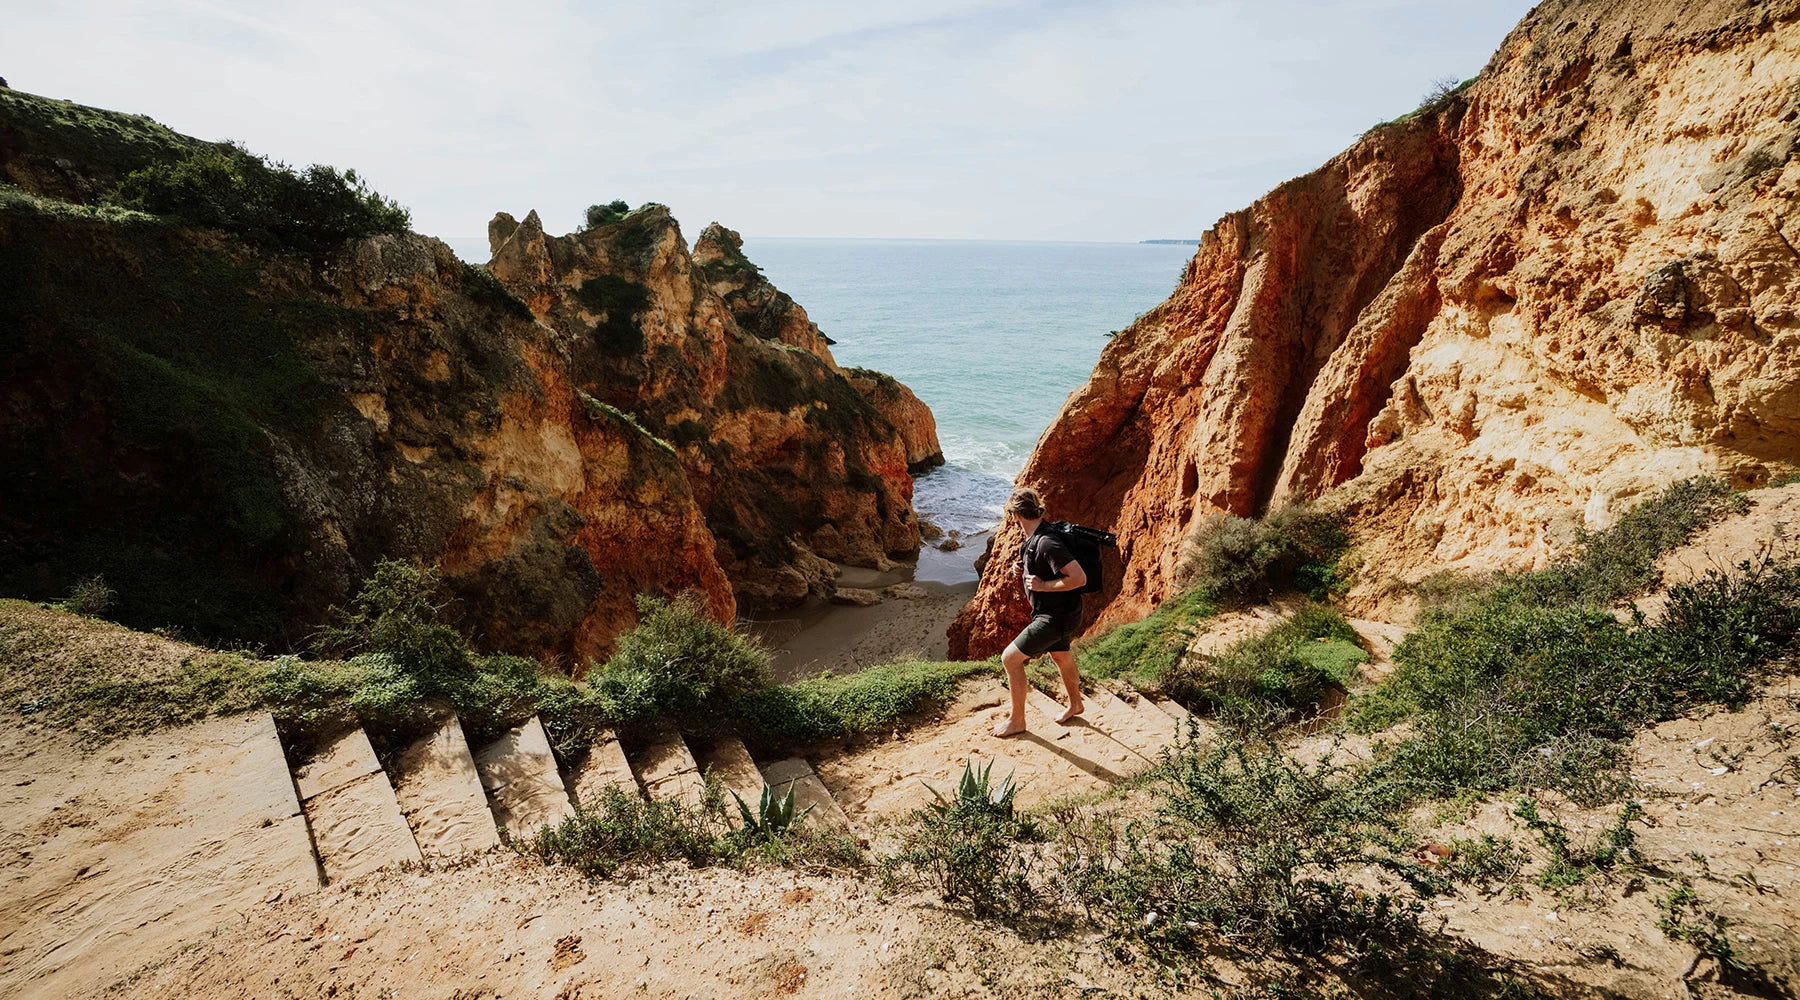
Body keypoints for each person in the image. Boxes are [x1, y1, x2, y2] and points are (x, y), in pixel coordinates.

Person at [992, 486, 1086, 737]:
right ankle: (1076, 704)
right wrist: (1020, 570)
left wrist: (1043, 585)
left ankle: (1017, 721)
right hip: (1063, 613)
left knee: (1010, 659)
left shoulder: (1047, 542)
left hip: (1054, 617)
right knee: (1061, 656)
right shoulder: (1038, 537)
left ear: (1015, 515)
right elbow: (1040, 567)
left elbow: (1078, 578)